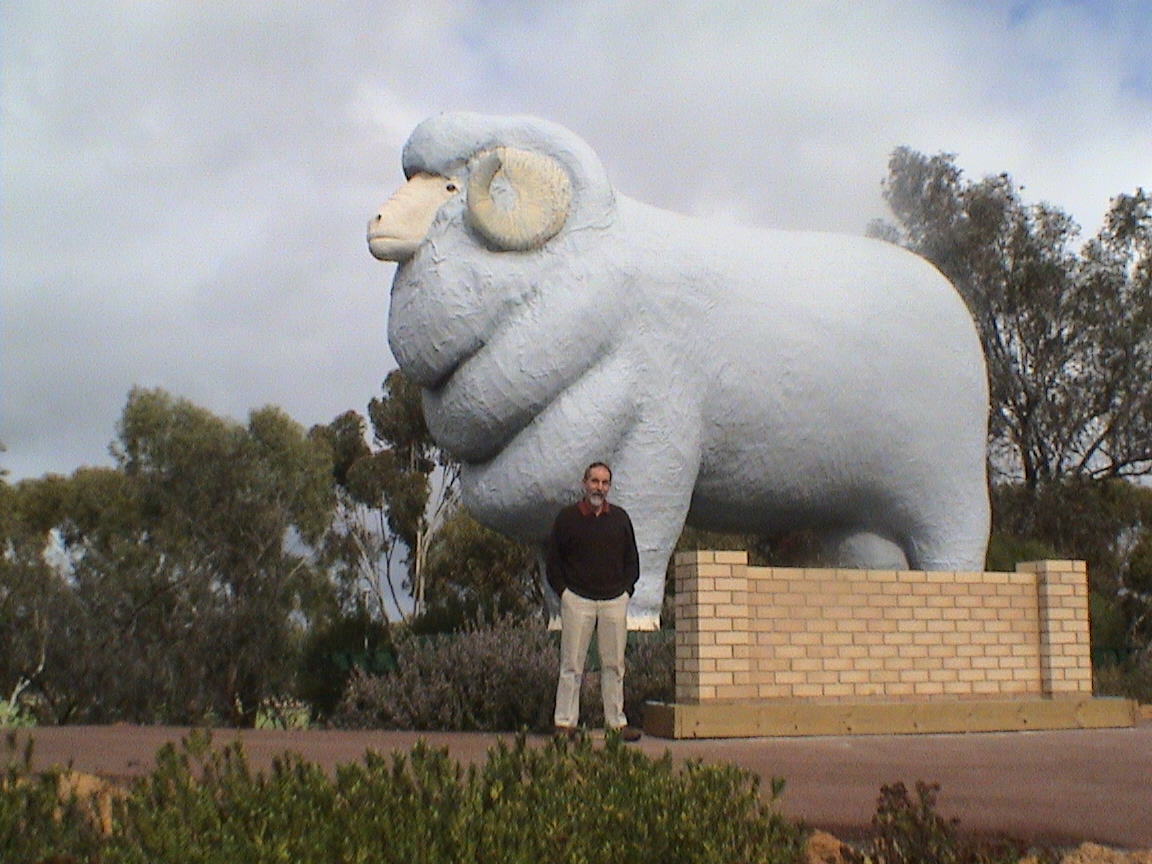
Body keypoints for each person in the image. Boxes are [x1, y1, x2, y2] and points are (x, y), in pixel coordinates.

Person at [547, 461, 643, 741]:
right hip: (577, 600)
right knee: (572, 666)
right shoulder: (567, 518)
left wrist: (626, 593)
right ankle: (564, 724)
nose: (598, 488)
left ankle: (616, 724)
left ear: (609, 487)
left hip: (614, 601)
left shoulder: (620, 519)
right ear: (584, 483)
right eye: (594, 481)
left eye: (604, 483)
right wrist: (564, 594)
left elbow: (632, 562)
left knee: (614, 666)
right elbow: (554, 563)